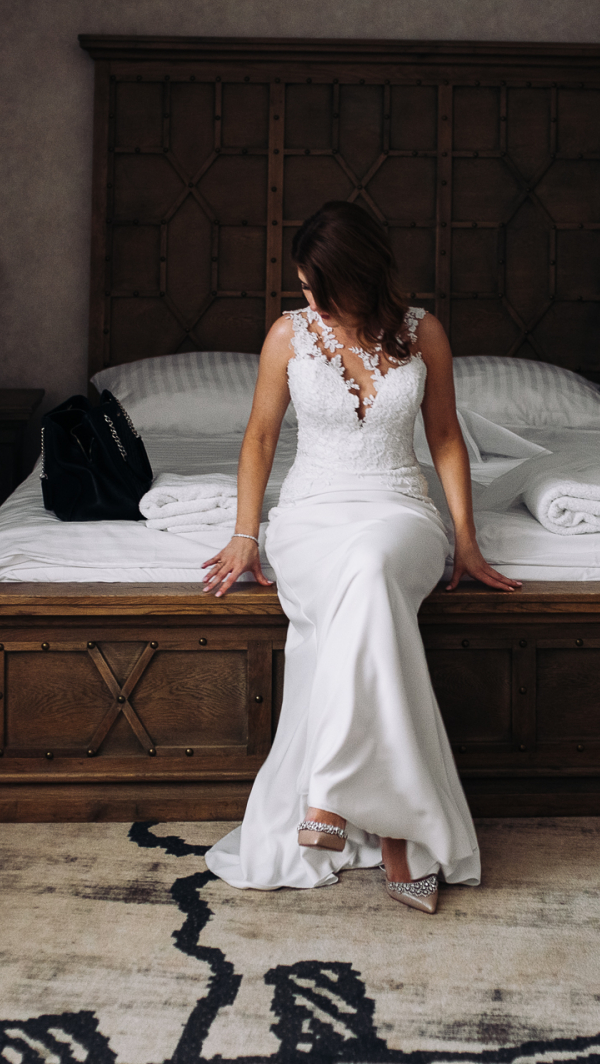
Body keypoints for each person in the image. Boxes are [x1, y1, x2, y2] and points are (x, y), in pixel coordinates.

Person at [200, 200, 519, 914]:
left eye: (319, 284)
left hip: (400, 511)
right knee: (359, 581)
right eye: (304, 283)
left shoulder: (422, 331)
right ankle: (400, 832)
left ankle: (331, 791)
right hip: (310, 517)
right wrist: (246, 533)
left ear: (360, 278)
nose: (307, 295)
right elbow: (258, 438)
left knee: (373, 564)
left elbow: (443, 437)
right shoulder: (287, 336)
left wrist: (466, 537)